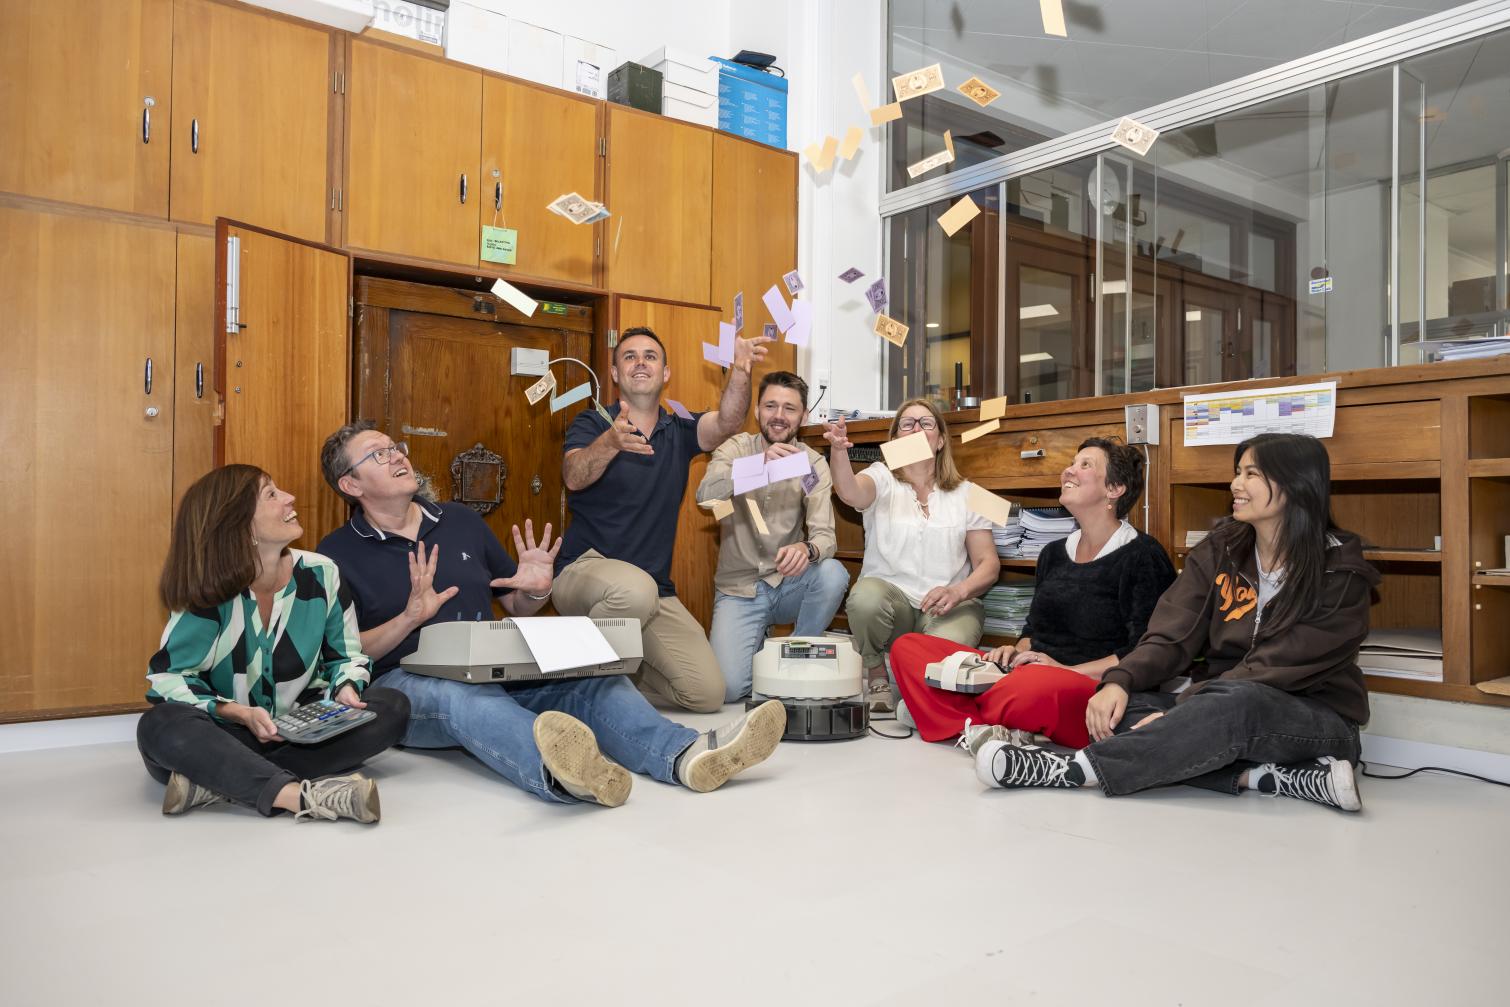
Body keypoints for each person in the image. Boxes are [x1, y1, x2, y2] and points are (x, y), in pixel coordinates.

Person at [317, 423, 786, 807]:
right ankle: (564, 774)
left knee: (590, 676)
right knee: (466, 696)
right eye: (378, 454)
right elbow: (347, 653)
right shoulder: (335, 555)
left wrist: (536, 589)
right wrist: (410, 617)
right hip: (407, 683)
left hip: (487, 662)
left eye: (395, 447)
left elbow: (515, 604)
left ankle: (685, 755)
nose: (397, 457)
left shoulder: (459, 520)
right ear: (351, 485)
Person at [975, 433, 1380, 813]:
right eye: (1237, 472)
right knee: (1121, 709)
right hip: (1215, 705)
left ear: (1295, 485)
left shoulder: (1340, 571)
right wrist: (1120, 680)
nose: (1235, 484)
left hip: (1313, 718)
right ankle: (1270, 778)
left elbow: (1276, 666)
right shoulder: (1221, 549)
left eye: (1251, 474)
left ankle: (1072, 770)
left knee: (1233, 705)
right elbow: (1171, 633)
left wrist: (1185, 711)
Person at [137, 465, 408, 823]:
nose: (289, 498)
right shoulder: (208, 590)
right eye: (272, 494)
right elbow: (168, 679)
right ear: (240, 525)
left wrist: (345, 687)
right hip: (226, 733)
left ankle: (221, 781)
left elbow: (347, 656)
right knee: (160, 724)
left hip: (301, 727)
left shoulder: (321, 572)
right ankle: (303, 797)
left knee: (391, 706)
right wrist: (237, 713)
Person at [890, 438, 1176, 749]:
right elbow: (1033, 632)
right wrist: (1013, 652)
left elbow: (1143, 653)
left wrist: (1063, 671)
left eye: (1085, 465)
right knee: (908, 648)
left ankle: (950, 712)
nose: (1069, 471)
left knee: (1028, 687)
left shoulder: (1142, 555)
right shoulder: (1053, 553)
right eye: (1072, 463)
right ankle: (983, 725)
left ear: (1114, 489)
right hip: (1029, 673)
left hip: (1088, 686)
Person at [552, 325, 771, 713]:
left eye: (650, 356)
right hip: (583, 570)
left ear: (665, 373)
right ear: (615, 373)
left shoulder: (679, 430)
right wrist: (610, 442)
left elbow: (728, 422)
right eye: (630, 356)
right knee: (634, 591)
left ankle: (612, 684)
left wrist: (740, 368)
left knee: (707, 694)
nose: (640, 363)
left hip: (652, 590)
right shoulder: (592, 423)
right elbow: (573, 476)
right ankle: (578, 688)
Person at [824, 398, 1001, 711]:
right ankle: (876, 671)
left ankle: (919, 688)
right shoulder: (881, 476)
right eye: (907, 424)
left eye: (926, 423)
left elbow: (989, 563)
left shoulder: (971, 492)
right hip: (894, 606)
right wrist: (838, 452)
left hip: (949, 605)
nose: (917, 428)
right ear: (895, 439)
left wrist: (958, 592)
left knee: (947, 653)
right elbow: (850, 492)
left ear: (940, 440)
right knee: (865, 598)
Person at [695, 370, 851, 701]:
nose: (779, 416)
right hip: (740, 589)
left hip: (788, 582)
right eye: (770, 406)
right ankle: (761, 651)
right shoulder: (735, 448)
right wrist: (758, 466)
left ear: (803, 417)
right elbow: (705, 495)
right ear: (757, 410)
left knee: (833, 574)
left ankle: (794, 659)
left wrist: (806, 549)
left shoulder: (811, 464)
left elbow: (826, 537)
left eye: (789, 408)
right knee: (728, 689)